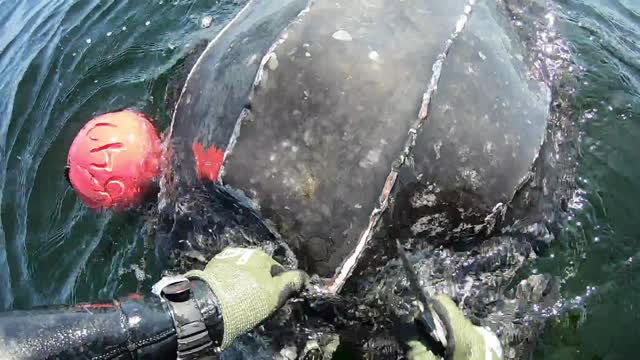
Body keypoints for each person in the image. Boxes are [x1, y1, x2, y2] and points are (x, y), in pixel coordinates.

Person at [0, 111, 502, 359]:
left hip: (283, 270)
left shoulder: (175, 234)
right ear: (151, 129)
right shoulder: (202, 125)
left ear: (122, 204)